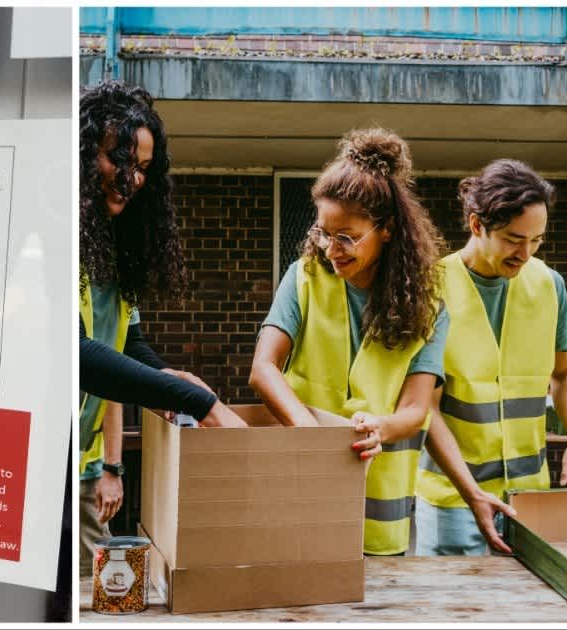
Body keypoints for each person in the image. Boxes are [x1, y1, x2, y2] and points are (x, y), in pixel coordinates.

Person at [250, 128, 448, 556]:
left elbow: (416, 409)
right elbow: (263, 369)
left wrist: (381, 428)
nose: (331, 248)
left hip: (382, 511)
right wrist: (311, 438)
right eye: (323, 232)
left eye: (348, 236)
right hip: (302, 493)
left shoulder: (428, 307)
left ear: (388, 230)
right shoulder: (303, 277)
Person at [77, 80, 246, 576]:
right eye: (118, 159)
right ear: (84, 151)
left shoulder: (108, 245)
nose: (130, 178)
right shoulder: (54, 233)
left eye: (143, 168)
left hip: (77, 461)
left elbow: (125, 341)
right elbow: (75, 352)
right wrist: (193, 400)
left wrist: (171, 377)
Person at [416, 159, 567, 556]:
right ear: (477, 225)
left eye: (536, 240)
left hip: (528, 499)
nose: (526, 253)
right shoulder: (430, 289)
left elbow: (565, 375)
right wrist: (470, 492)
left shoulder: (550, 284)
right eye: (515, 239)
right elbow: (424, 408)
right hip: (453, 501)